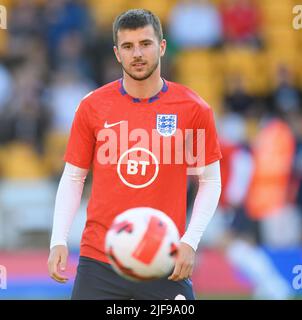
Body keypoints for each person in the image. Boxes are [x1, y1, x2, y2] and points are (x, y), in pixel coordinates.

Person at [47, 9, 222, 300]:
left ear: (162, 46)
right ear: (117, 53)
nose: (137, 53)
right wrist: (58, 240)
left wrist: (190, 241)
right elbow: (74, 177)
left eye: (145, 44)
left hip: (164, 257)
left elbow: (210, 181)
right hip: (100, 260)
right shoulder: (92, 106)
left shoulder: (194, 109)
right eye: (128, 47)